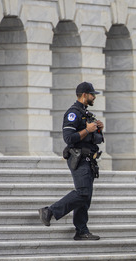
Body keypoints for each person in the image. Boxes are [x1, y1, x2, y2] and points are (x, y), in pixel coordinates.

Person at [38, 82, 104, 240]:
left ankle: (81, 231)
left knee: (85, 197)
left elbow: (99, 139)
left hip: (89, 160)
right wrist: (87, 130)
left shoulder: (87, 115)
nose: (94, 97)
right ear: (83, 95)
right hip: (78, 158)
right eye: (92, 94)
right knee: (82, 193)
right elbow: (68, 138)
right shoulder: (73, 113)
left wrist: (98, 129)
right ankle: (49, 211)